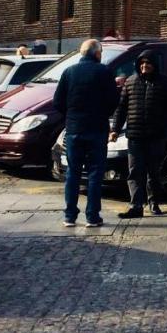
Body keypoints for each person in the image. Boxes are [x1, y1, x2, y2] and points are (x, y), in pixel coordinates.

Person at [52, 38, 120, 228]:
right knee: (95, 173)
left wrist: (72, 114)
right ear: (97, 53)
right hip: (97, 128)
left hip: (74, 129)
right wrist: (102, 113)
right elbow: (114, 100)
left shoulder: (69, 72)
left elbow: (57, 101)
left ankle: (70, 216)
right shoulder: (104, 72)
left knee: (73, 173)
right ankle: (92, 216)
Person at [110, 51, 167, 218]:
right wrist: (115, 130)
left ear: (154, 65)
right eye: (142, 63)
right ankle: (136, 206)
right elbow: (121, 109)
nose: (144, 66)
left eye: (148, 63)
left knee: (153, 172)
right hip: (134, 136)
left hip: (156, 136)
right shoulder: (131, 82)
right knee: (134, 172)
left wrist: (162, 125)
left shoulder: (166, 83)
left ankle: (154, 202)